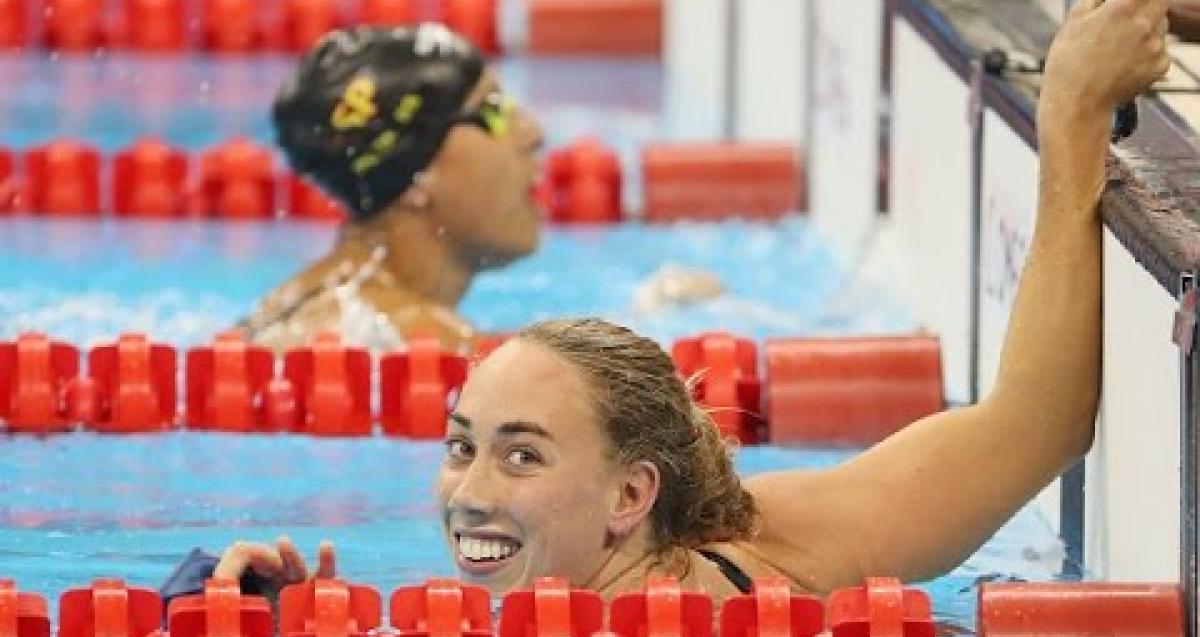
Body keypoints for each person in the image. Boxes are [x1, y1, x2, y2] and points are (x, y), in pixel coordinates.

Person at [214, 0, 1170, 605]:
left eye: (520, 453)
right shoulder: (748, 541)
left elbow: (1032, 425)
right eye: (463, 445)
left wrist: (1072, 113)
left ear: (635, 494)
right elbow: (1030, 429)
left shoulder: (738, 560)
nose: (468, 491)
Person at [239, 23, 544, 353]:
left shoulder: (280, 311)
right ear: (418, 170)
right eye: (493, 109)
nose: (532, 133)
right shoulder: (430, 341)